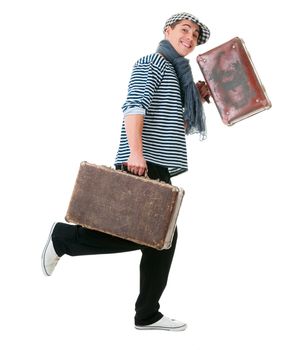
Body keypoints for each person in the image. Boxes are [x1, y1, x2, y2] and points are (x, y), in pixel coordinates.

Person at [41, 12, 211, 332]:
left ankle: (145, 313)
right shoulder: (154, 62)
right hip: (144, 161)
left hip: (156, 162)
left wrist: (198, 102)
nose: (190, 37)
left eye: (196, 35)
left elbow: (175, 127)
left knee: (160, 237)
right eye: (185, 30)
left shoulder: (177, 75)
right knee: (161, 237)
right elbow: (134, 105)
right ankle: (65, 239)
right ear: (168, 31)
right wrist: (135, 153)